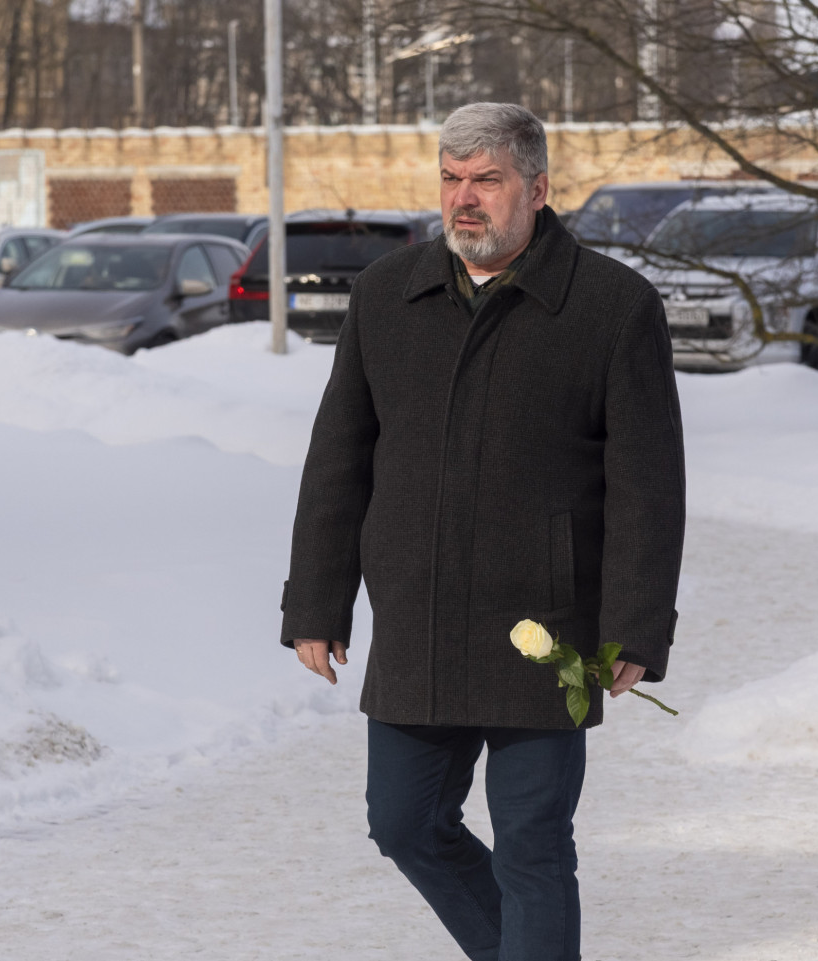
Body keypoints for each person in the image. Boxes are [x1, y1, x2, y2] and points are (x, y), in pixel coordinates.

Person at [279, 101, 685, 961]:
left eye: (486, 180)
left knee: (533, 845)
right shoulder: (386, 295)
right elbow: (338, 459)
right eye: (451, 178)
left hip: (546, 627)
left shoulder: (612, 305)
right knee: (403, 821)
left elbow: (648, 485)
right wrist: (316, 601)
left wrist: (638, 625)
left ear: (536, 189)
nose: (464, 198)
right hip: (418, 620)